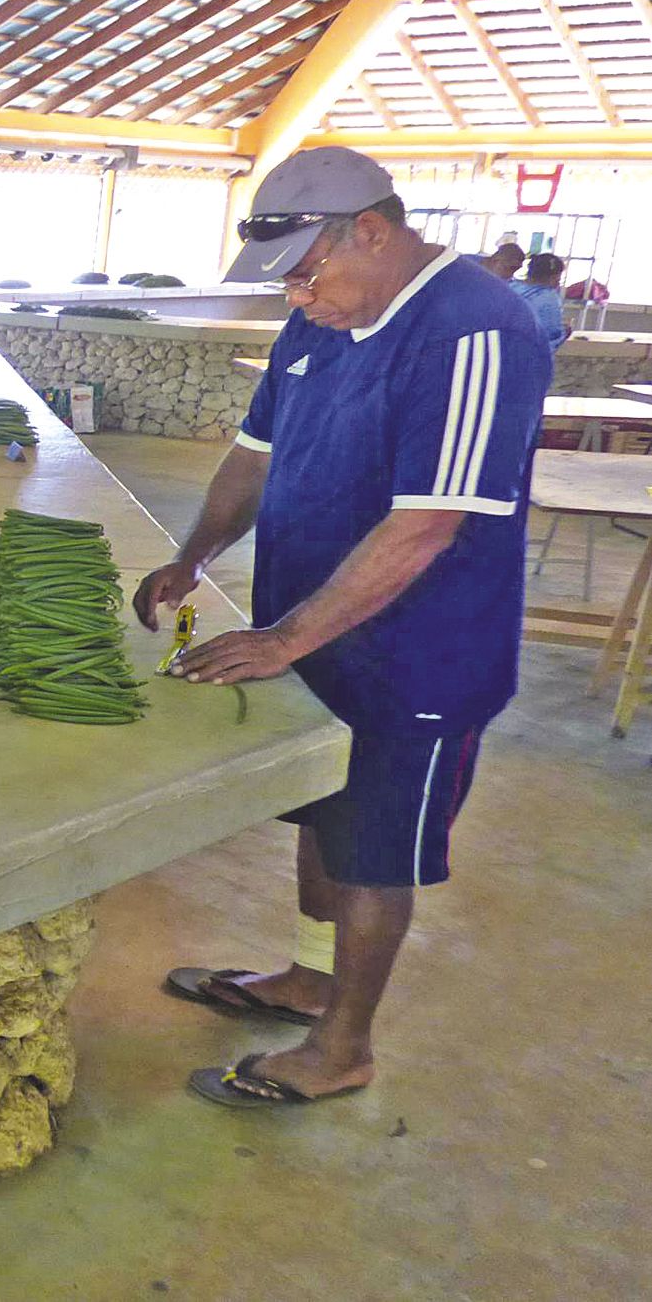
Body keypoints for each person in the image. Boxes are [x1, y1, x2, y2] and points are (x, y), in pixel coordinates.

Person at [136, 147, 547, 1108]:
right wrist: (193, 555)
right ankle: (306, 978)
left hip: (419, 656)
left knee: (374, 848)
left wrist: (282, 639)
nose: (295, 296)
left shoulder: (474, 331)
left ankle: (342, 1046)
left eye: (305, 272)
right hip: (315, 631)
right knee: (323, 810)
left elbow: (428, 524)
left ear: (370, 231)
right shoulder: (317, 319)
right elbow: (253, 455)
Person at [510, 252, 568, 351]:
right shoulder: (549, 297)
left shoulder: (508, 286)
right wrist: (565, 333)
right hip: (527, 351)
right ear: (553, 278)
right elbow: (551, 335)